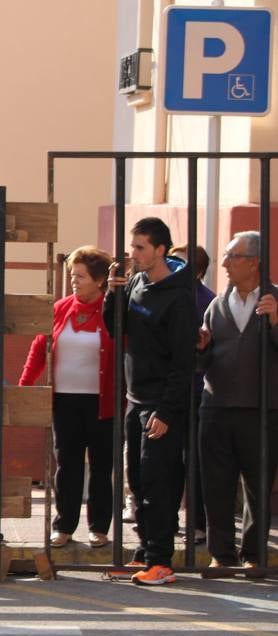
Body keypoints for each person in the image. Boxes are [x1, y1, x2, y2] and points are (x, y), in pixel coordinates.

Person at [104, 217, 197, 586]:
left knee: (160, 482)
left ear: (161, 250)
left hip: (161, 404)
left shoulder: (179, 297)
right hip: (135, 398)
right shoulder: (137, 282)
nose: (133, 254)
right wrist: (114, 292)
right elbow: (118, 331)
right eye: (133, 246)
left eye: (140, 247)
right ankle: (145, 553)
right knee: (139, 481)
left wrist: (167, 411)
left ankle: (161, 562)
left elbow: (183, 361)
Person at [18, 246, 115, 548]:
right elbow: (38, 348)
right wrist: (25, 385)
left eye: (81, 276)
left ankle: (99, 527)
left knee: (101, 466)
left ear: (100, 280)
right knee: (68, 465)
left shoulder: (112, 311)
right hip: (65, 401)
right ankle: (64, 526)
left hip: (103, 401)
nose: (75, 280)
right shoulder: (59, 308)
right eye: (73, 275)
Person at [196, 231, 278, 569]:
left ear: (255, 262)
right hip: (216, 407)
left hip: (262, 410)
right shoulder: (218, 303)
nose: (225, 263)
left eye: (233, 256)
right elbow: (204, 359)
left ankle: (254, 556)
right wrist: (201, 348)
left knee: (258, 485)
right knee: (216, 483)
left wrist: (275, 321)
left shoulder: (275, 300)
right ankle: (221, 554)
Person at [170, 243, 215, 546]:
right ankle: (165, 519)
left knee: (196, 458)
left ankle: (197, 523)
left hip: (198, 389)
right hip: (167, 389)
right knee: (167, 459)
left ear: (197, 271)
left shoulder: (208, 302)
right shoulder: (162, 294)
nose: (174, 267)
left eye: (181, 263)